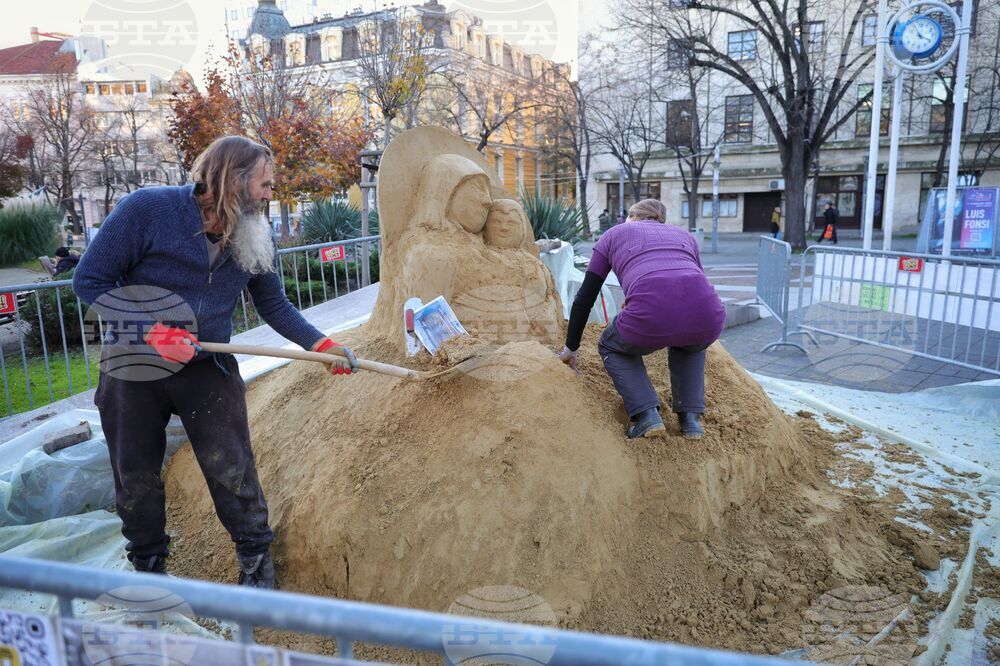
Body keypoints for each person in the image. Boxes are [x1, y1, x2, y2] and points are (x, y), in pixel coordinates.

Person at [72, 135, 359, 588]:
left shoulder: (253, 232)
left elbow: (274, 304)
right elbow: (89, 280)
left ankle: (254, 561)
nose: (270, 194)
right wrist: (151, 331)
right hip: (133, 366)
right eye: (264, 184)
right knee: (135, 474)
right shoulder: (147, 210)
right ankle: (148, 567)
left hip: (208, 366)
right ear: (233, 180)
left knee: (233, 467)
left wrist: (321, 347)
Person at [557, 199, 725, 439]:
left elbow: (585, 298)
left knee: (610, 344)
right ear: (660, 220)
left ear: (633, 217)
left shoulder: (614, 234)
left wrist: (570, 348)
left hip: (651, 315)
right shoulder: (683, 236)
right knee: (692, 342)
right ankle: (690, 420)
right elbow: (688, 283)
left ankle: (646, 415)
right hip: (708, 314)